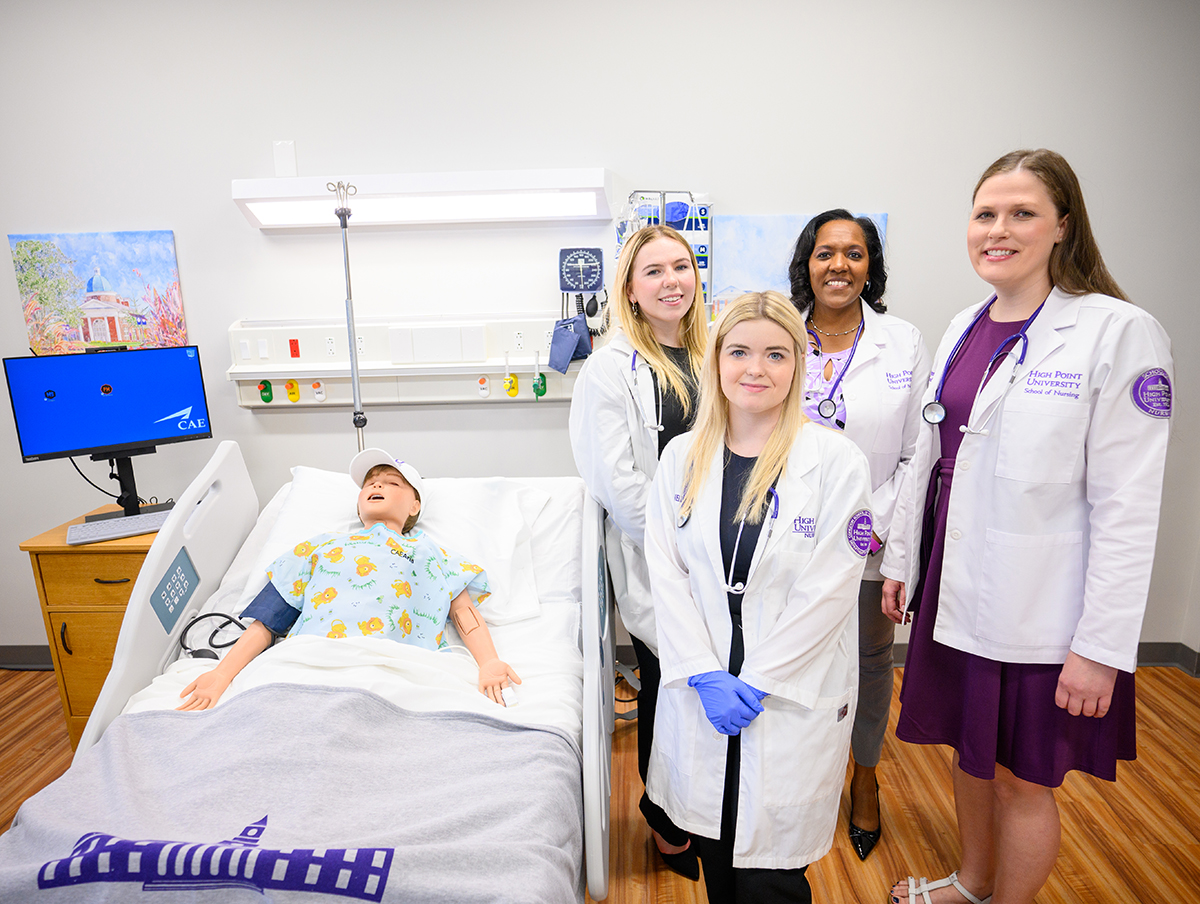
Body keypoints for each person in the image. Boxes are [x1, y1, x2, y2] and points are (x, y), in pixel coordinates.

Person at [882, 150, 1173, 904]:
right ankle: (972, 884)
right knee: (968, 756)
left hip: (1042, 605)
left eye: (1021, 214)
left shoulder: (1117, 332)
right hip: (958, 582)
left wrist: (1100, 648)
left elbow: (1129, 505)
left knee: (1020, 778)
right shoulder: (962, 326)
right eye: (985, 214)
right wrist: (904, 562)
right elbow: (931, 461)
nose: (997, 230)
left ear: (1062, 227)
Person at [645, 291, 873, 902]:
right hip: (706, 694)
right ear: (716, 360)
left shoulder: (836, 463)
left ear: (798, 366)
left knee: (772, 878)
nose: (755, 369)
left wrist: (760, 679)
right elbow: (665, 576)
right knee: (718, 860)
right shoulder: (680, 459)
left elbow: (830, 592)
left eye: (776, 355)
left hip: (787, 697)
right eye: (739, 351)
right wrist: (702, 672)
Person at [787, 209, 931, 860]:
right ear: (806, 263)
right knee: (792, 657)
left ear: (870, 265)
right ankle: (798, 782)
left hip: (871, 540)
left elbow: (914, 452)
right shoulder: (782, 333)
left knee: (872, 665)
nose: (838, 264)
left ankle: (865, 778)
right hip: (789, 540)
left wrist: (868, 518)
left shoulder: (901, 342)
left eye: (853, 253)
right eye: (825, 253)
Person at [569, 223, 709, 879]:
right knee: (666, 687)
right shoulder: (609, 368)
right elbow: (614, 478)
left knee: (708, 687)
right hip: (660, 557)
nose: (671, 281)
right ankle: (667, 825)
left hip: (724, 555)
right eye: (653, 271)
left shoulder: (715, 355)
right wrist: (678, 546)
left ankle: (703, 808)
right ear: (630, 287)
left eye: (680, 267)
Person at [177, 449, 520, 711]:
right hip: (311, 662)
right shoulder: (320, 546)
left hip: (395, 667)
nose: (377, 484)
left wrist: (489, 662)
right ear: (358, 505)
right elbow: (267, 622)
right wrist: (222, 674)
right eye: (370, 482)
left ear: (415, 504)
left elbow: (464, 614)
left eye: (392, 481)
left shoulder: (433, 554)